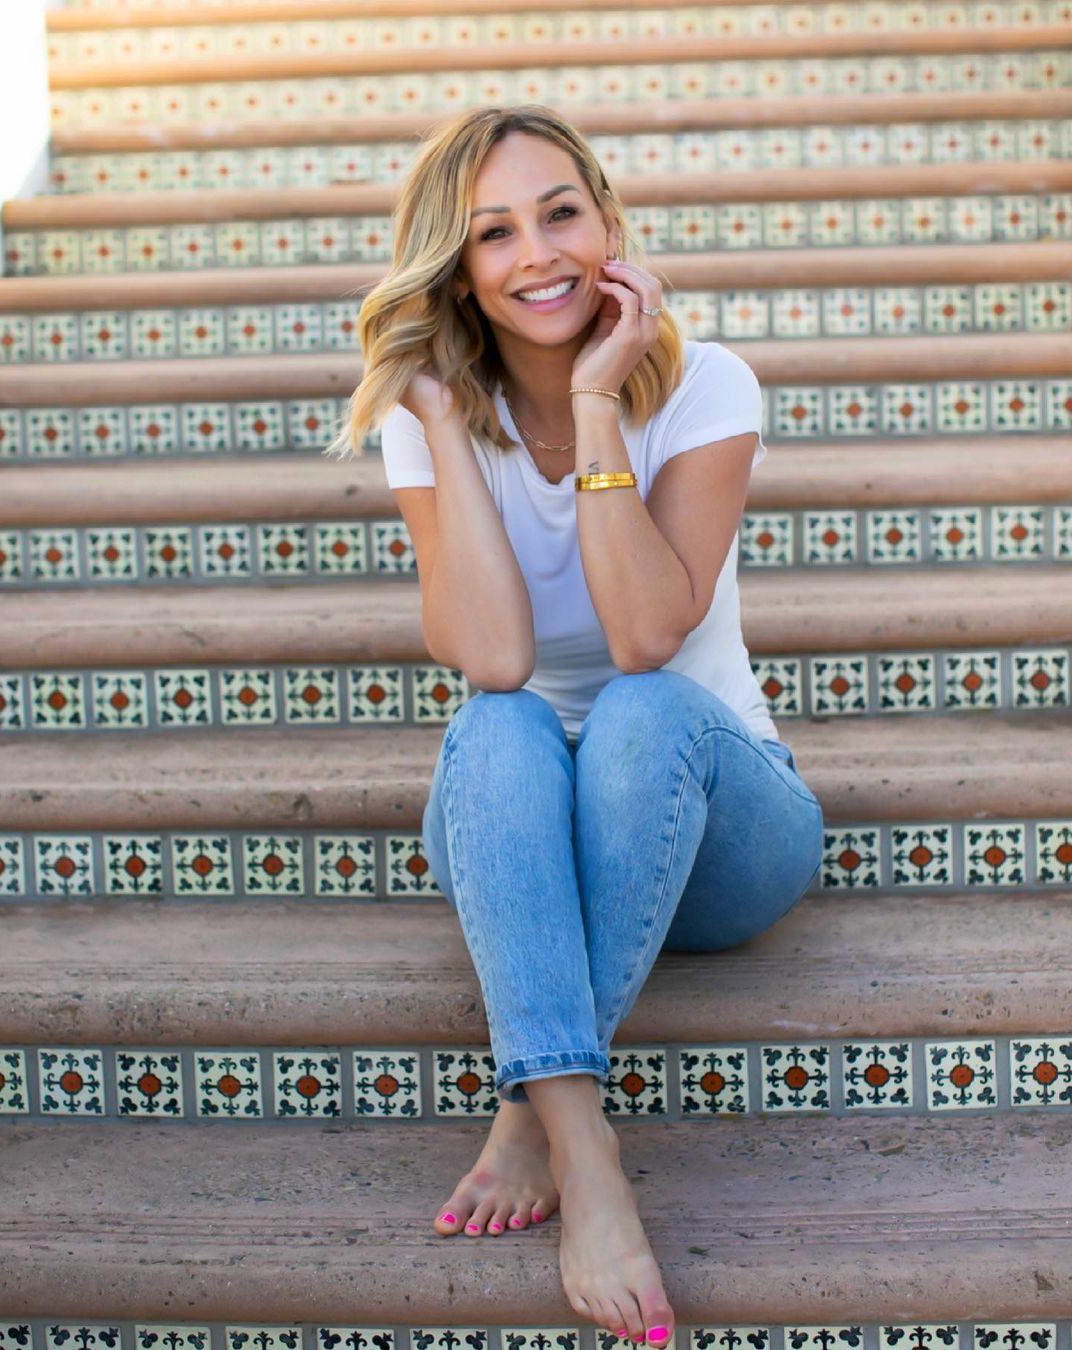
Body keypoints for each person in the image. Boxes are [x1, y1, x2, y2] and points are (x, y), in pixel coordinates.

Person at [325, 104, 825, 1346]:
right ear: (459, 266)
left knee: (645, 704)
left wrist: (600, 404)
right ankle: (590, 1149)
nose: (537, 253)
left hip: (719, 825)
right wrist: (443, 421)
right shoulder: (425, 417)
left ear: (606, 220)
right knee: (498, 723)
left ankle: (533, 1110)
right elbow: (491, 656)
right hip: (517, 827)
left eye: (560, 213)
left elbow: (649, 635)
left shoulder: (706, 386)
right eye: (493, 234)